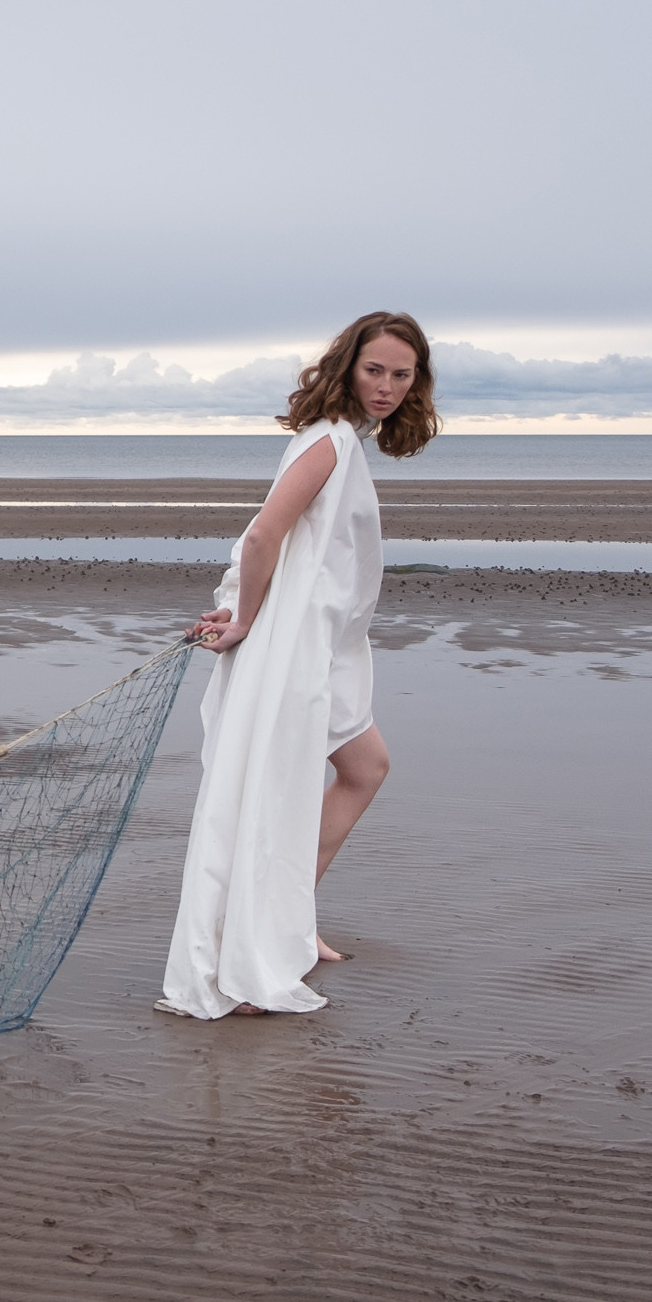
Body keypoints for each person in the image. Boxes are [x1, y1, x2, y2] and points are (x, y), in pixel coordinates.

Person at [156, 312, 440, 1019]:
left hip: (328, 645)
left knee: (364, 767)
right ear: (346, 367)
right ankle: (257, 955)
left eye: (401, 375)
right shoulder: (329, 443)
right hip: (294, 648)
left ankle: (290, 923)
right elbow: (263, 535)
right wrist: (245, 617)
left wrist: (238, 604)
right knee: (273, 794)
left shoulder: (345, 443)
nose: (386, 386)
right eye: (374, 369)